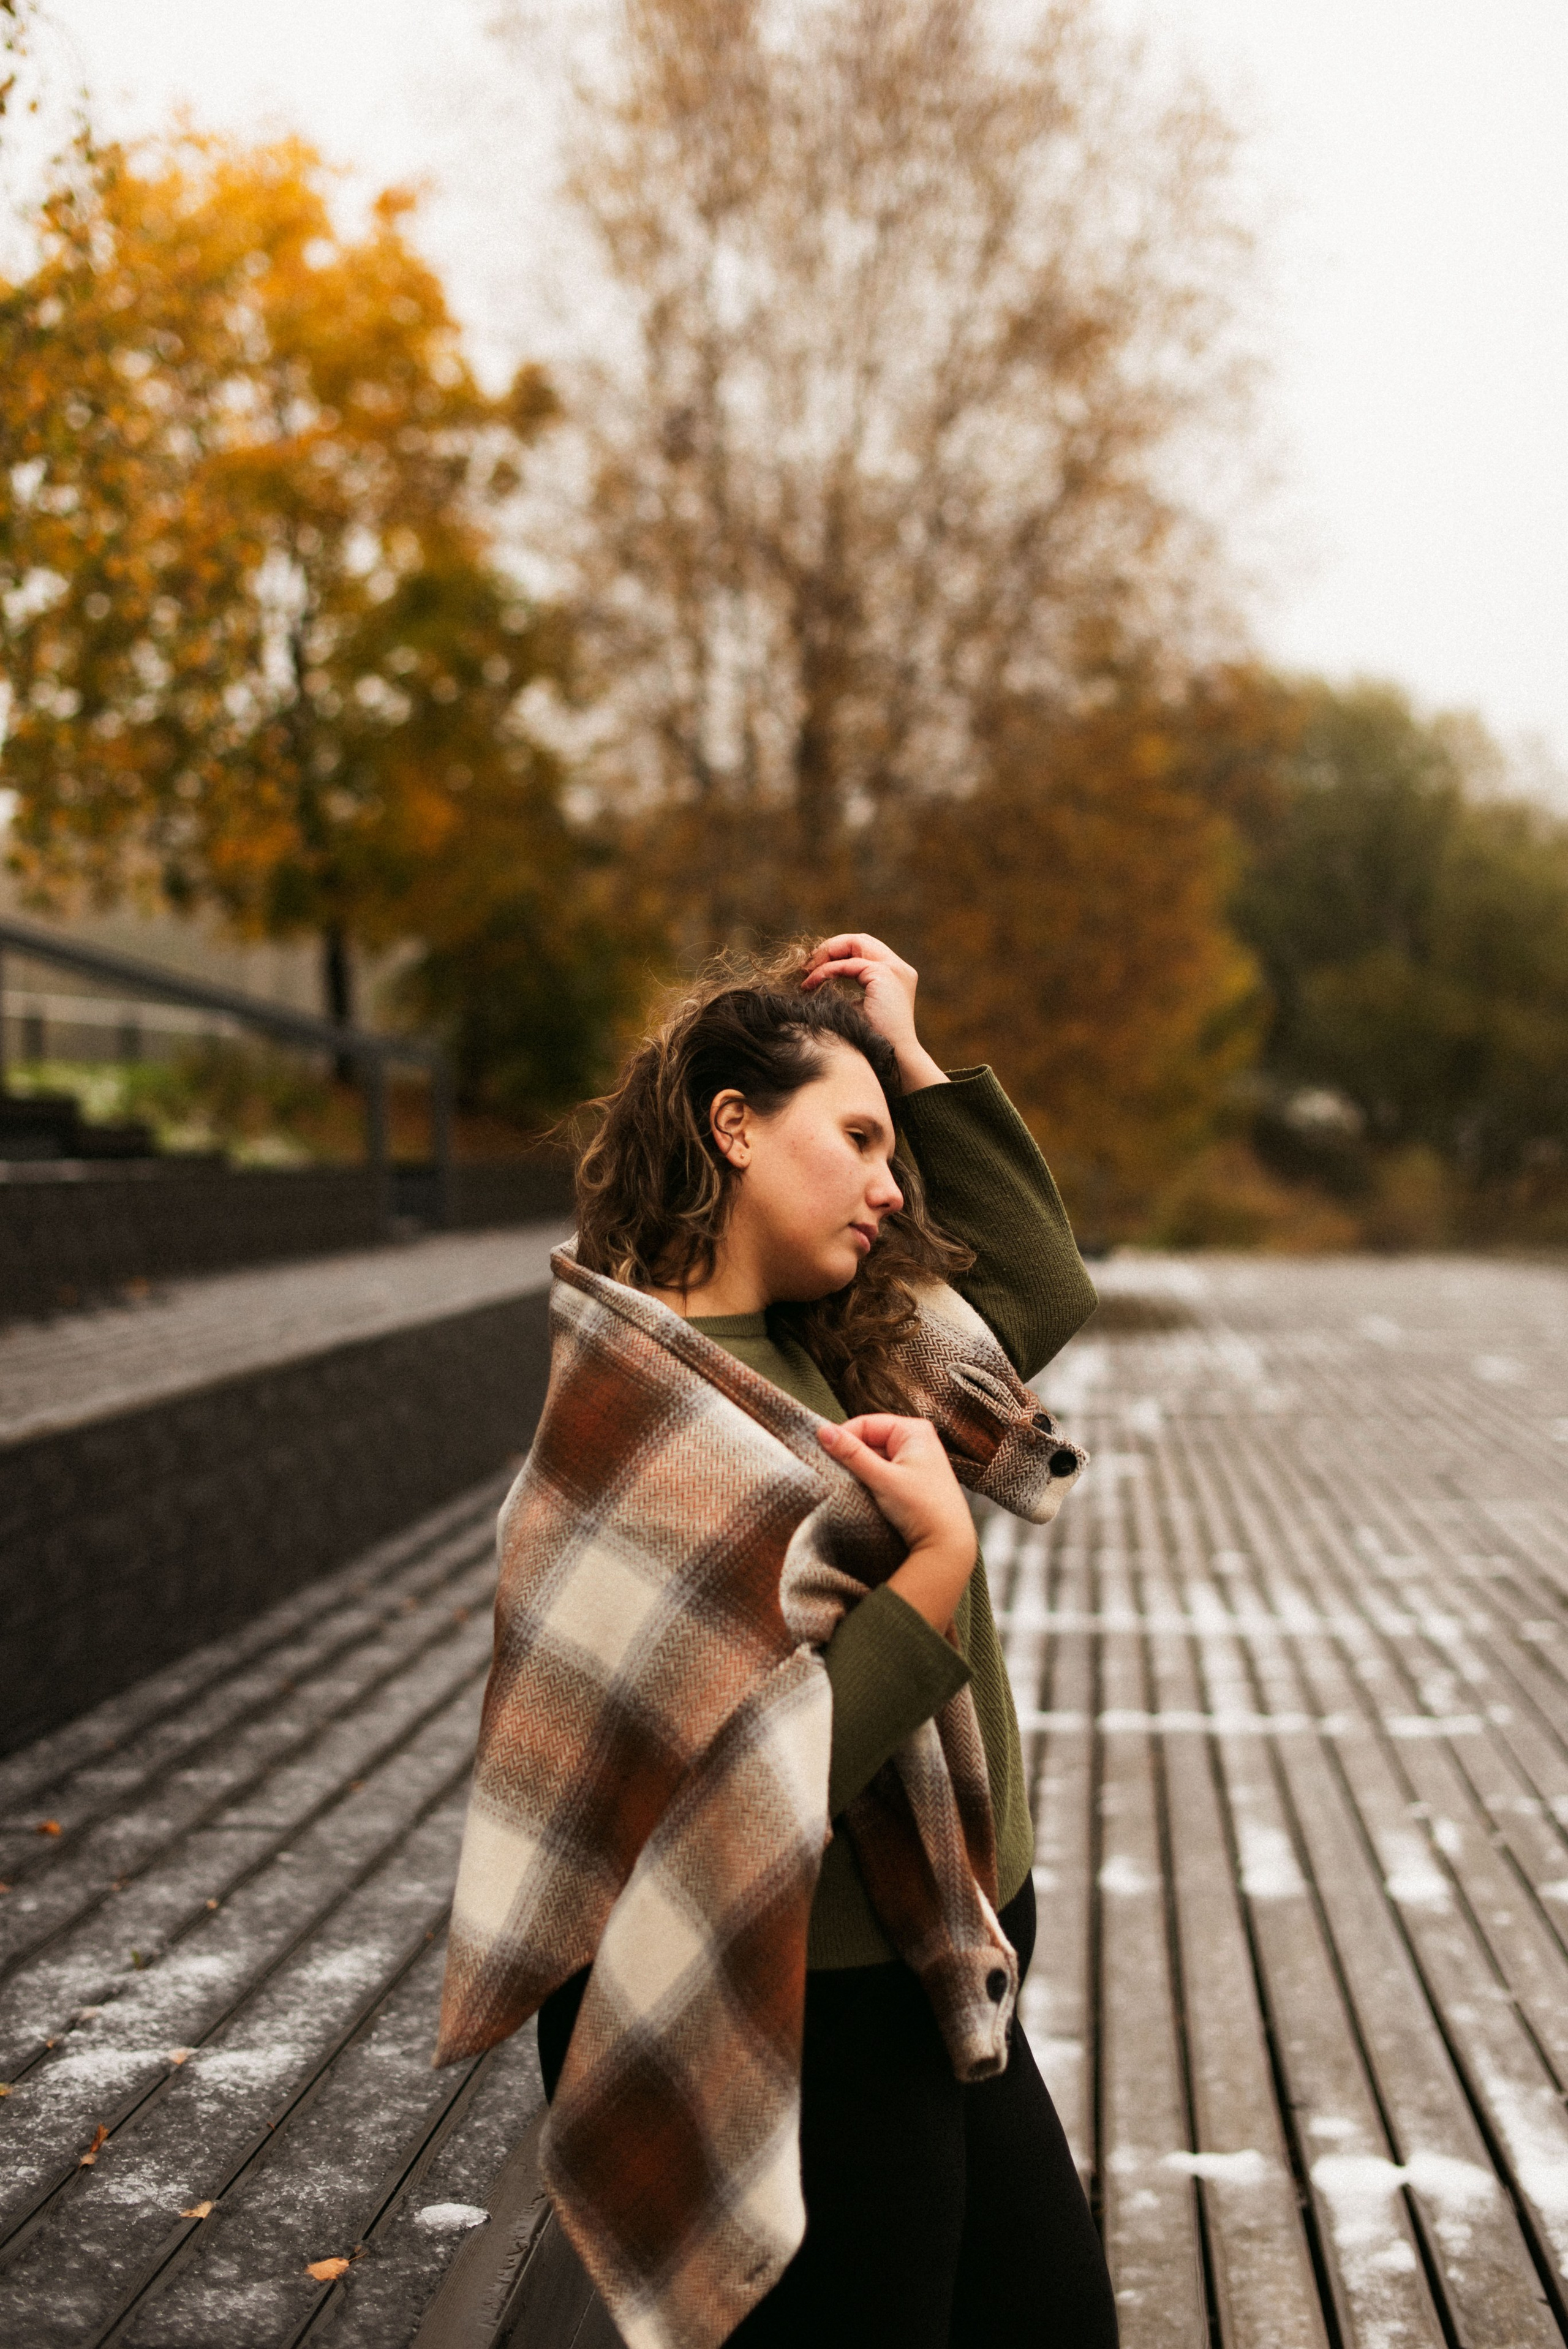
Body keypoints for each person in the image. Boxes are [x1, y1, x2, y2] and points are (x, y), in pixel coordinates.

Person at [438, 933, 1117, 2349]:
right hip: (822, 2003)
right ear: (732, 1126)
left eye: (894, 1146)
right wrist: (938, 1560)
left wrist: (908, 1056)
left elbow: (1040, 1294)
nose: (890, 1182)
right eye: (859, 1137)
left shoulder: (845, 1339)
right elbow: (758, 1788)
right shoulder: (656, 1417)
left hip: (944, 1942)